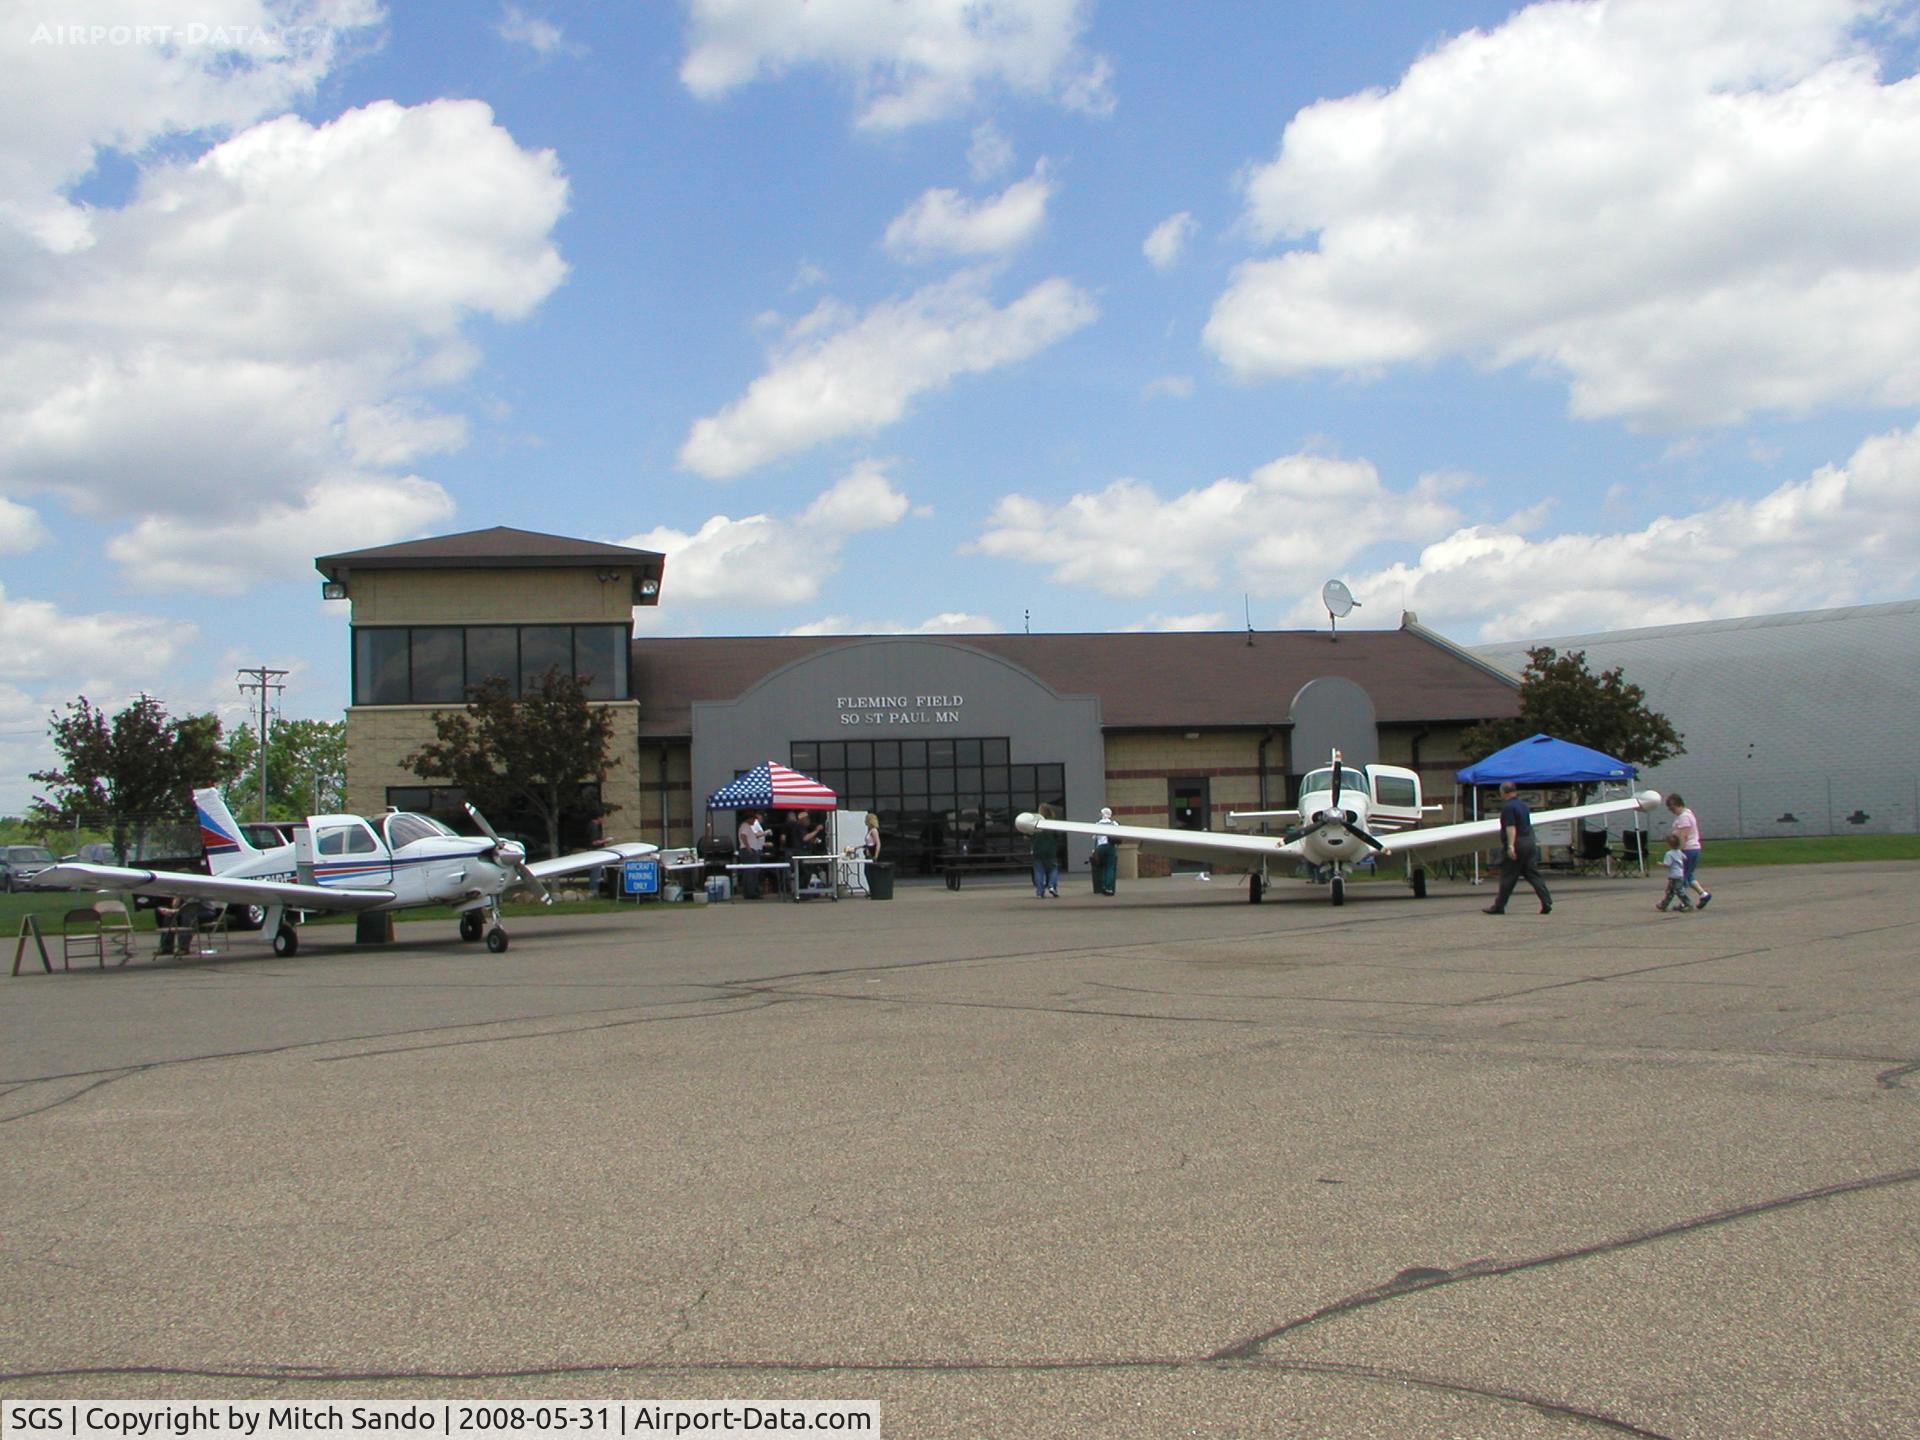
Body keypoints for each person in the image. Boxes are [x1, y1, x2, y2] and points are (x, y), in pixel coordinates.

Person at [1483, 781, 1552, 915]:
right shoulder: (1523, 805)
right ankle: (1546, 900)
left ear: (1504, 792)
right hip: (1529, 842)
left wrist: (1510, 846)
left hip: (1518, 843)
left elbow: (1511, 827)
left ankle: (1499, 906)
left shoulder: (1508, 807)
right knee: (1532, 874)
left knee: (1508, 876)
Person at [1665, 793, 1713, 909]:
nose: (1671, 810)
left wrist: (1678, 851)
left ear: (1677, 805)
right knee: (1689, 874)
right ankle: (1703, 894)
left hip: (1688, 849)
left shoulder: (1684, 817)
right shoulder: (1685, 814)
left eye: (1672, 808)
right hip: (1692, 848)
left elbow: (1683, 836)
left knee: (1682, 878)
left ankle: (1685, 902)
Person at [736, 809, 769, 897]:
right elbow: (743, 836)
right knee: (751, 872)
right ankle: (751, 892)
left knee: (750, 872)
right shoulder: (745, 826)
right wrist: (748, 848)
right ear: (749, 819)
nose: (754, 821)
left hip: (750, 850)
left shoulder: (748, 827)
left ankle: (750, 891)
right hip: (748, 851)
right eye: (753, 819)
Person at [1030, 804, 1060, 898]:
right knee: (1053, 869)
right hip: (1050, 851)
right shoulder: (1052, 823)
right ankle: (1051, 886)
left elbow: (1030, 835)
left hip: (1038, 850)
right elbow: (1057, 836)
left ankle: (1040, 892)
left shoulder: (1036, 824)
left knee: (1038, 871)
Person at [1656, 845, 1695, 912]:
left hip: (1674, 876)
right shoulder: (1679, 851)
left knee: (1679, 891)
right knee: (1670, 891)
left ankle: (1688, 904)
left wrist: (1660, 864)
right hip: (1679, 874)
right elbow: (1685, 857)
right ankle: (1664, 905)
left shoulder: (1669, 853)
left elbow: (1667, 864)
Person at [1091, 805, 1120, 895]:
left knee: (1102, 867)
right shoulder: (1114, 824)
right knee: (1110, 868)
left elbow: (1094, 837)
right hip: (1110, 847)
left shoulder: (1097, 824)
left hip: (1100, 848)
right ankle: (1109, 888)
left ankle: (1102, 886)